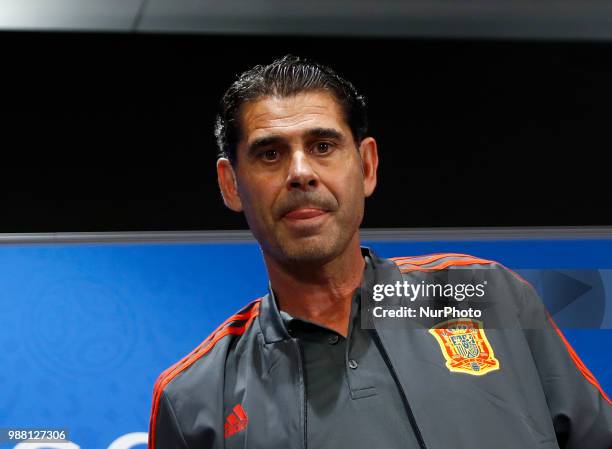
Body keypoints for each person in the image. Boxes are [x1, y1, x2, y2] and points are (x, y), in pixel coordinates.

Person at [148, 55, 612, 449]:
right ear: (231, 184)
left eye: (323, 145)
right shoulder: (196, 396)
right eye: (270, 154)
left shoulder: (485, 293)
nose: (301, 173)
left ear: (366, 166)